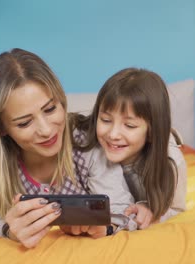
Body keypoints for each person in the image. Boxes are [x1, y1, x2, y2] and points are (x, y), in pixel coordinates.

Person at [0, 48, 135, 249]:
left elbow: (124, 212)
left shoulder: (88, 140)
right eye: (24, 123)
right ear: (1, 127)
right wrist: (11, 231)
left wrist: (104, 228)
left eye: (50, 109)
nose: (46, 131)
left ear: (61, 100)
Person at [71, 68, 187, 229]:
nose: (113, 134)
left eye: (129, 125)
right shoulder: (92, 149)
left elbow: (177, 208)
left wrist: (151, 210)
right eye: (105, 120)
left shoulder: (171, 162)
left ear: (151, 132)